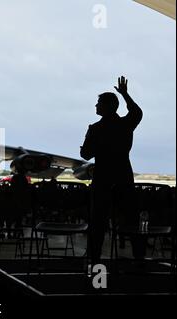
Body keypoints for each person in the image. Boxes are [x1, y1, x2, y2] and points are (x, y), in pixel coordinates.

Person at [80, 76, 143, 263]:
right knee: (131, 221)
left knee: (98, 223)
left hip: (102, 179)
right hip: (124, 176)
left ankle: (94, 259)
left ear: (106, 106)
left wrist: (89, 136)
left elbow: (85, 155)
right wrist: (125, 94)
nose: (96, 106)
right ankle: (139, 258)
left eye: (99, 103)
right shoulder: (125, 125)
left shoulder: (96, 128)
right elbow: (137, 112)